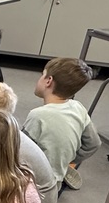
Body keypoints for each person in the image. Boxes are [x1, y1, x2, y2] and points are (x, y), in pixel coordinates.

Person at [22, 57, 101, 190]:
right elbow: (94, 144)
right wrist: (66, 160)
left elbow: (20, 154)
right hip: (54, 185)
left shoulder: (38, 116)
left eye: (43, 74)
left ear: (49, 81)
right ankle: (62, 170)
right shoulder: (78, 107)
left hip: (34, 184)